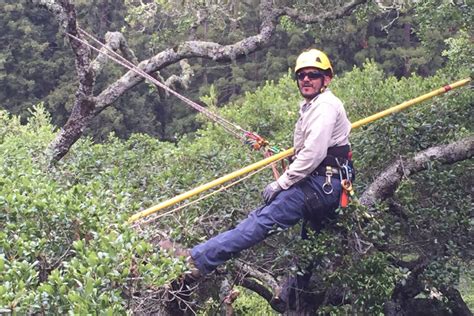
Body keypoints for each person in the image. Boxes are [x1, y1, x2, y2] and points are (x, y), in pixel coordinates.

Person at [160, 49, 353, 283]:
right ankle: (294, 295)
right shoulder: (313, 106)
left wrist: (281, 183)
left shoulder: (324, 107)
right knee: (310, 240)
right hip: (328, 184)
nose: (306, 80)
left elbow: (313, 153)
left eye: (313, 75)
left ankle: (196, 260)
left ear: (327, 78)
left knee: (261, 219)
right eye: (301, 76)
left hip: (322, 185)